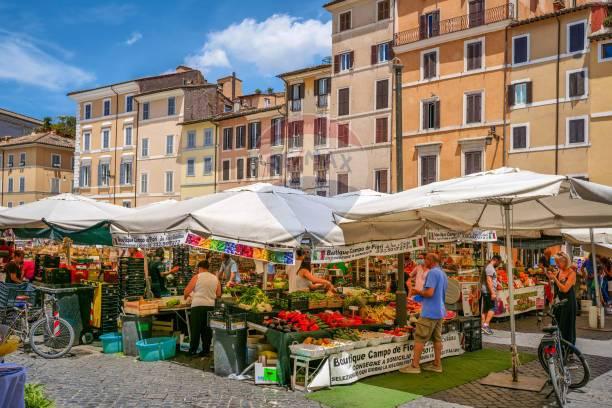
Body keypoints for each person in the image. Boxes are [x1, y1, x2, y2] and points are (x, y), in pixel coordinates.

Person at [400, 253, 448, 374]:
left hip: (429, 312)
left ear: (431, 260)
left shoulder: (432, 273)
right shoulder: (442, 273)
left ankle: (415, 366)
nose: (424, 261)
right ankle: (437, 364)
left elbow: (429, 293)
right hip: (440, 311)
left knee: (420, 338)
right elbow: (438, 293)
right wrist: (415, 299)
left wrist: (417, 291)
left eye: (426, 259)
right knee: (437, 338)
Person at [184, 260, 221, 357]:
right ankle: (206, 351)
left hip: (198, 305)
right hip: (210, 306)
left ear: (200, 268)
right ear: (207, 268)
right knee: (207, 330)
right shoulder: (215, 278)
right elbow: (219, 294)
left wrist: (186, 297)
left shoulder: (197, 277)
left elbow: (187, 291)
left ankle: (192, 351)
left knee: (196, 329)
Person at [547, 252, 577, 345]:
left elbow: (564, 289)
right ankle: (559, 344)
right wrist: (550, 276)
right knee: (558, 323)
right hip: (560, 302)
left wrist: (555, 279)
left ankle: (569, 347)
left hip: (568, 302)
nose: (557, 264)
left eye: (558, 262)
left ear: (565, 262)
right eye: (556, 262)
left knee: (567, 324)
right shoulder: (559, 271)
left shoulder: (572, 273)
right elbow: (554, 284)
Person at [480, 255, 502, 335]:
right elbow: (489, 280)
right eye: (498, 262)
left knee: (486, 309)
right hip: (488, 292)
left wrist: (497, 281)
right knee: (493, 307)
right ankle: (485, 325)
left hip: (486, 291)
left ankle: (483, 326)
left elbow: (490, 280)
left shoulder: (488, 267)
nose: (498, 264)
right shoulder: (490, 267)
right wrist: (492, 292)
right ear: (495, 260)